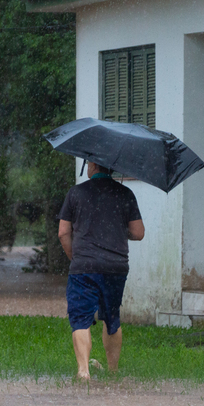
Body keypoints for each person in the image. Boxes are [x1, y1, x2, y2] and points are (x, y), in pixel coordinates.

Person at [58, 160, 145, 382]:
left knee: (80, 318)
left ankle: (83, 371)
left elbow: (63, 232)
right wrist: (115, 228)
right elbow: (138, 232)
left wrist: (74, 257)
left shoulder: (75, 193)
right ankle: (113, 372)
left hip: (83, 266)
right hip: (115, 267)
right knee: (111, 317)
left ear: (94, 165)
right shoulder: (125, 194)